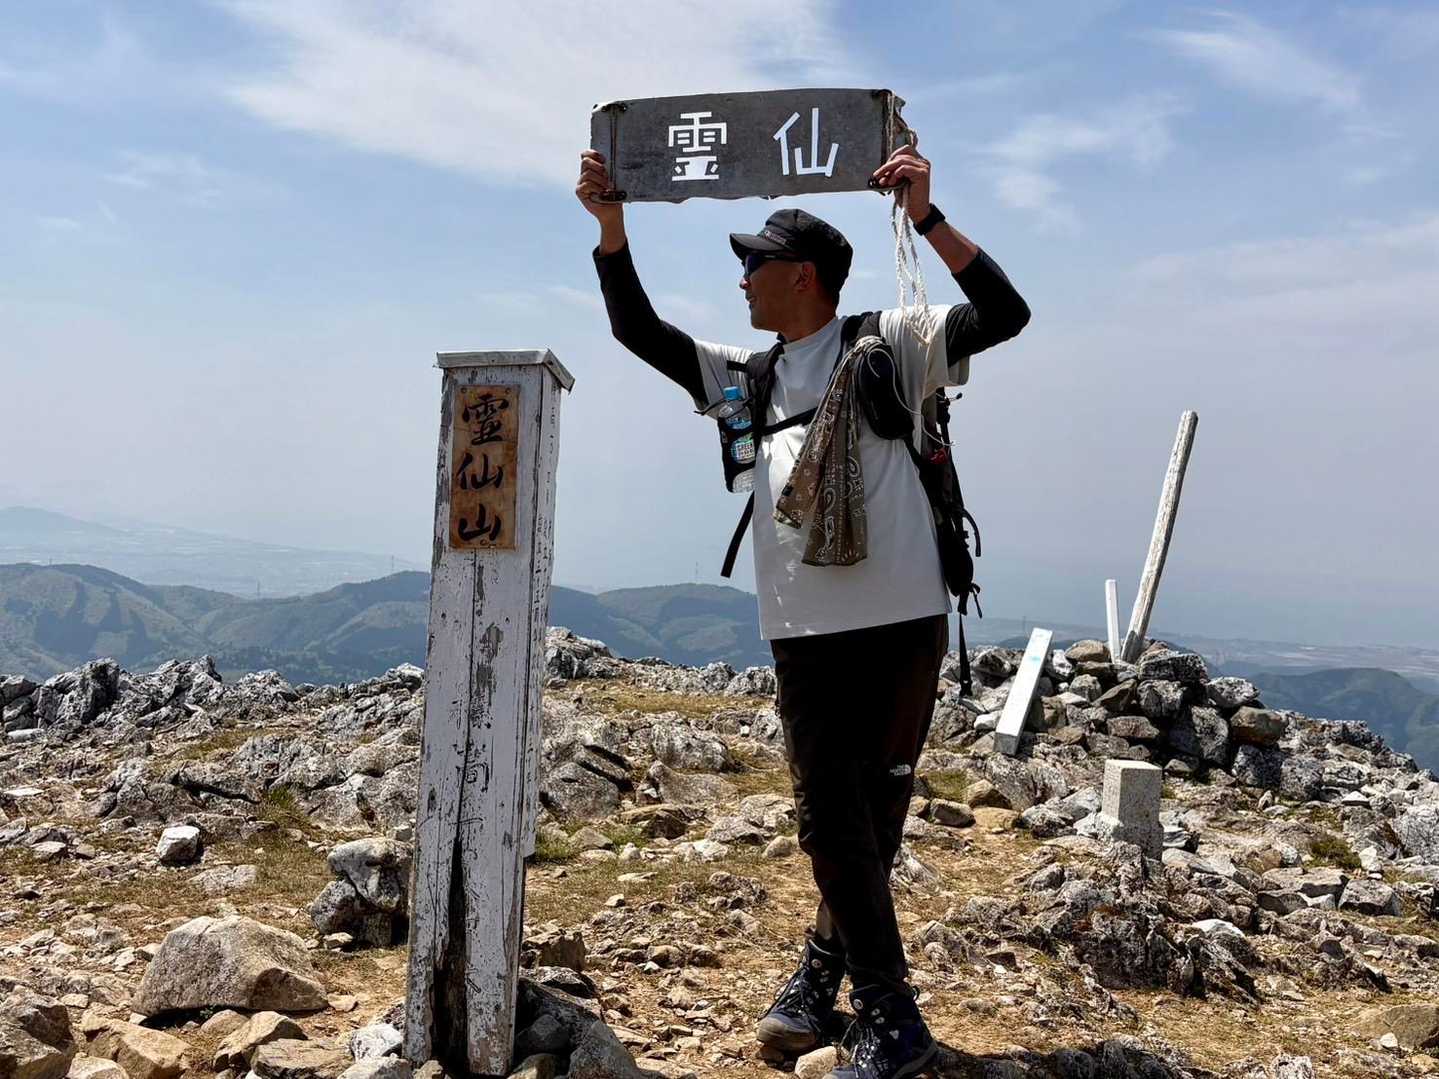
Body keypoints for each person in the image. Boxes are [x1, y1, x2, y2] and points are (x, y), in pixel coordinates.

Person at [576, 143, 1030, 1079]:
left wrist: (928, 218)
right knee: (832, 822)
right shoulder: (746, 375)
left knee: (870, 819)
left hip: (901, 618)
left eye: (755, 263)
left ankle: (840, 989)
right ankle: (877, 1007)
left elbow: (1005, 312)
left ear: (803, 276)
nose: (741, 278)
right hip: (803, 630)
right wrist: (611, 230)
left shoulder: (892, 341)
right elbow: (639, 331)